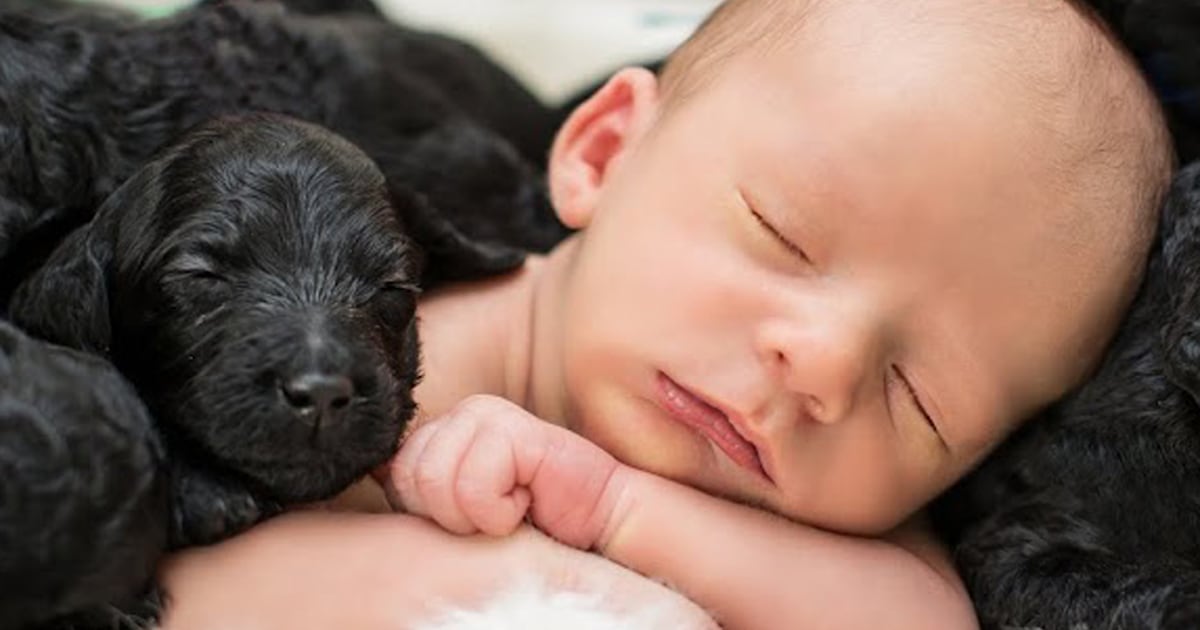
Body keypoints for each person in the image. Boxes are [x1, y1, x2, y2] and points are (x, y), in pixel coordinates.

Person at [159, 0, 1174, 628]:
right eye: (785, 236)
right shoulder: (409, 346)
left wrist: (618, 513)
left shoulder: (825, 544)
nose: (821, 366)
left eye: (923, 399)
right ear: (603, 153)